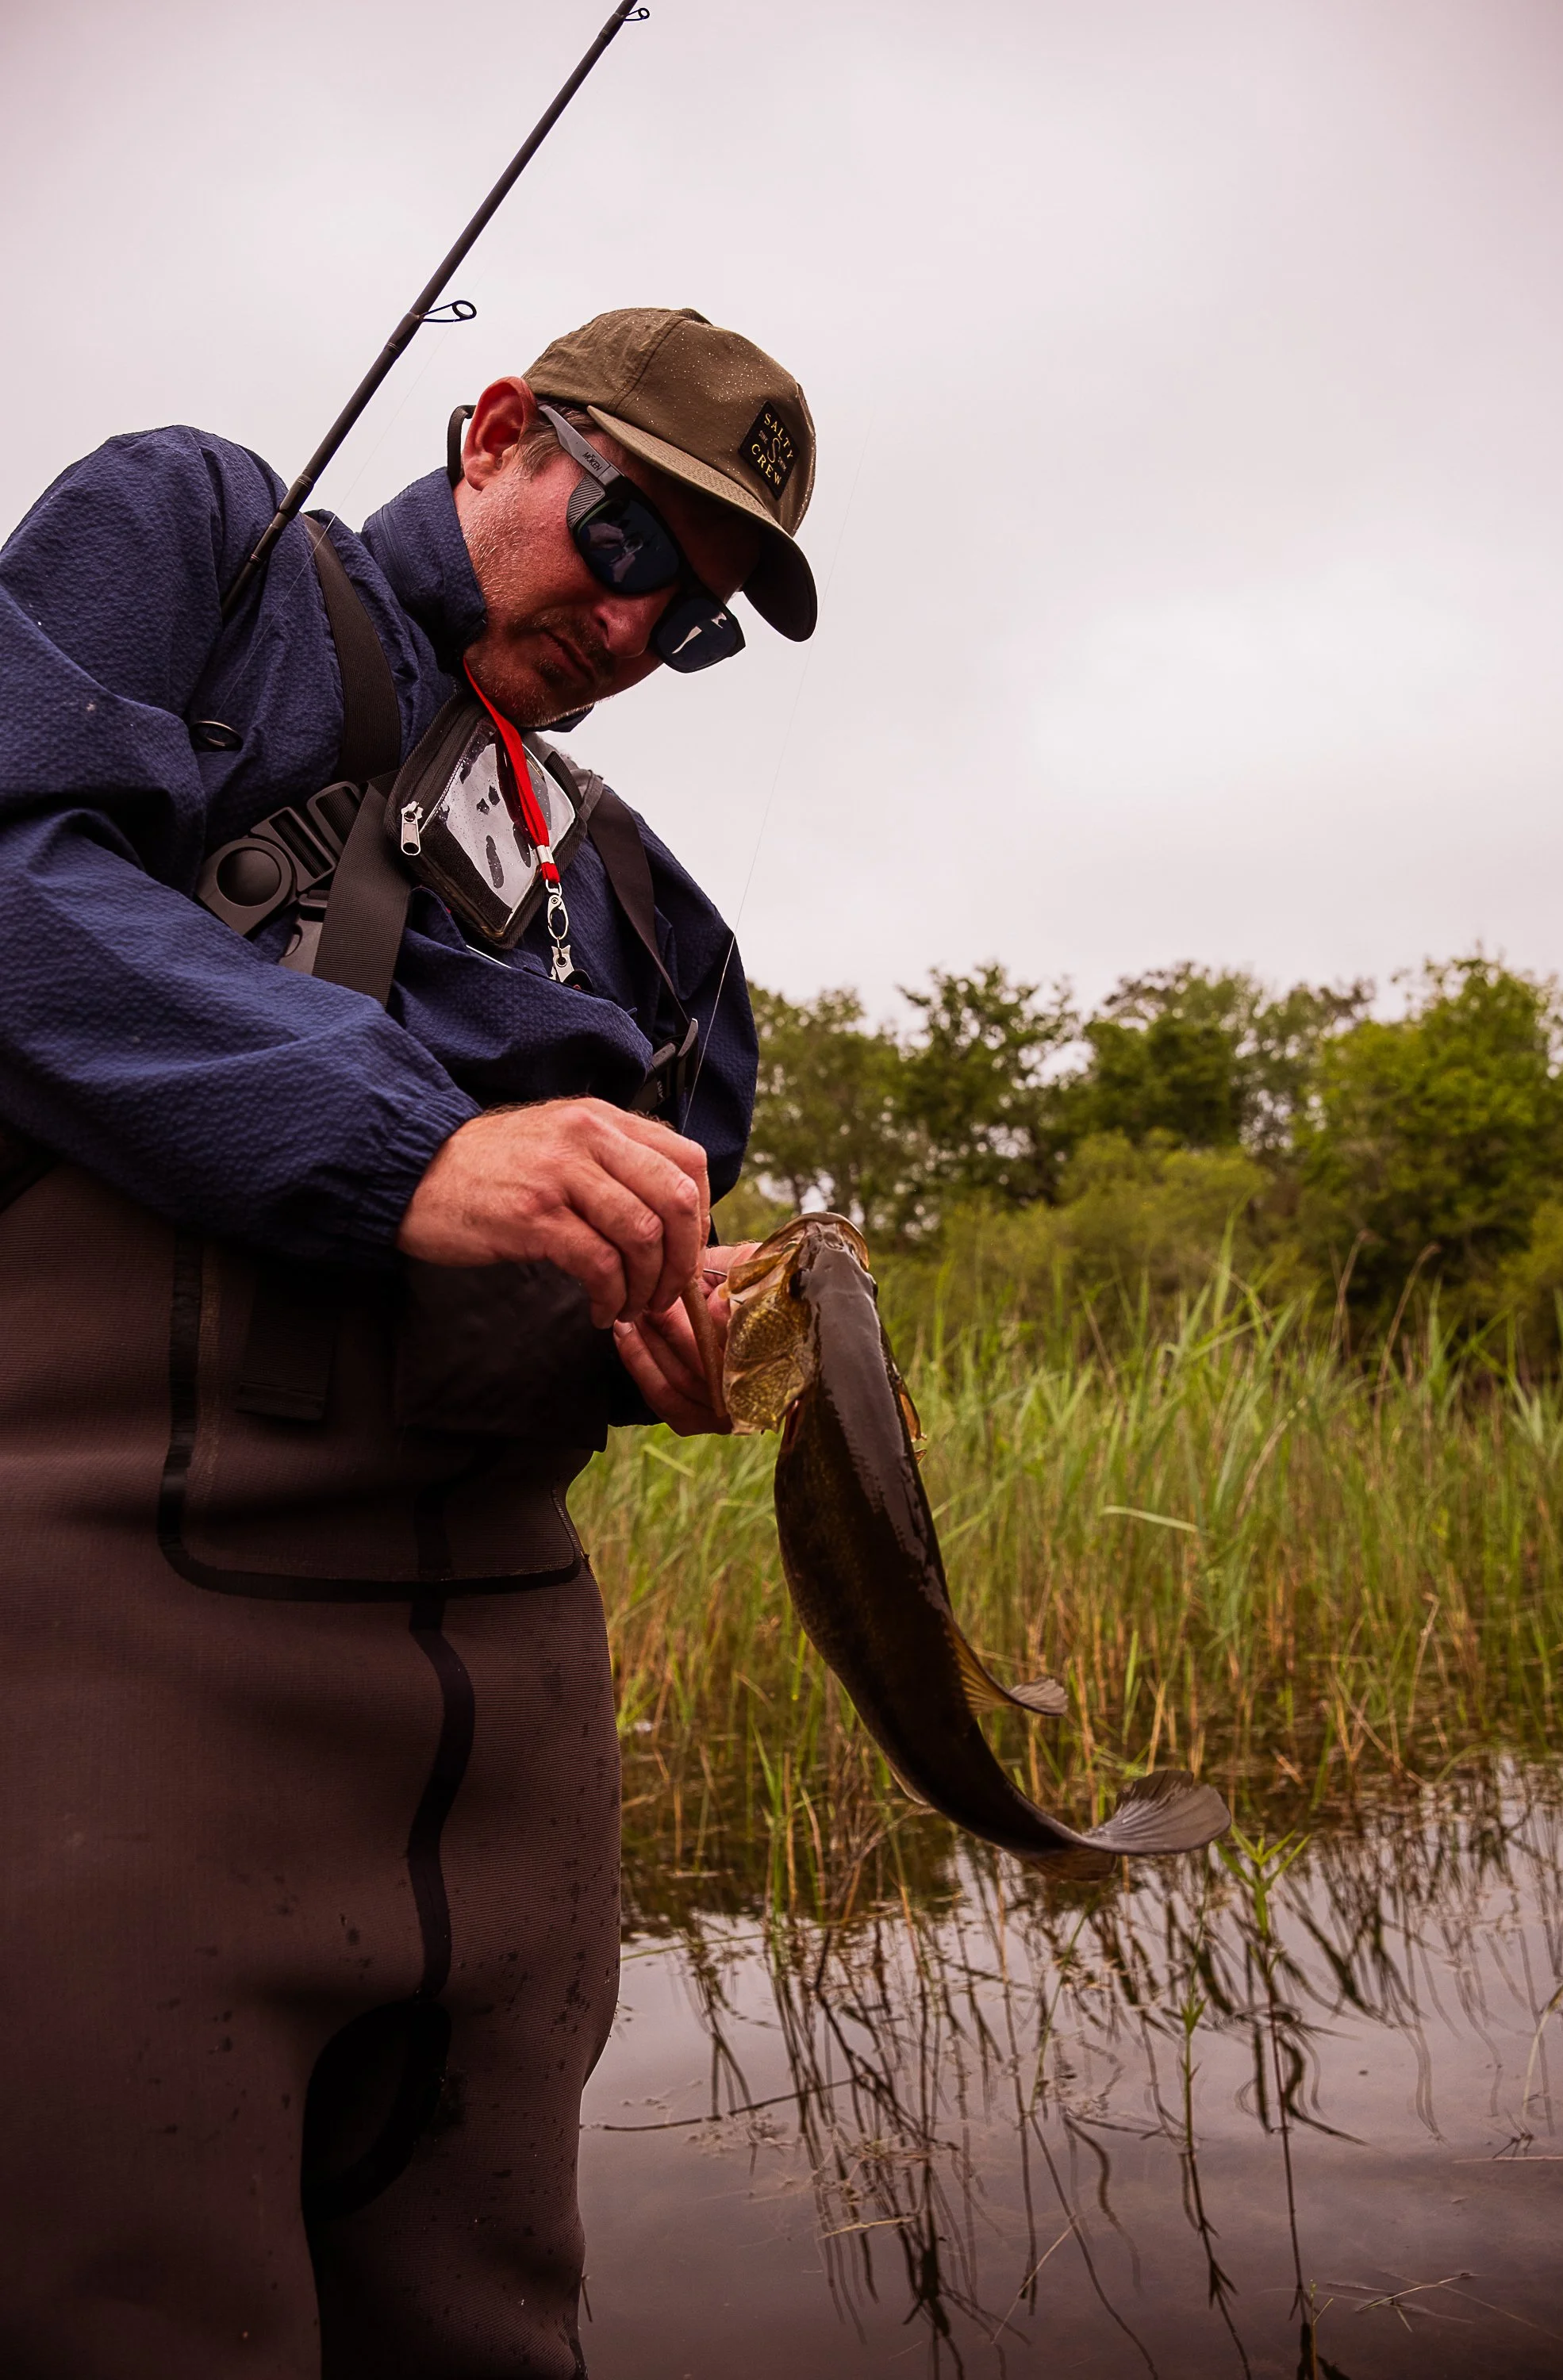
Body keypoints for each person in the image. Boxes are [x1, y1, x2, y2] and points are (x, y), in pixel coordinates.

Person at [0, 305, 816, 2378]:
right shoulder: (208, 555)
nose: (641, 629)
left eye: (697, 625)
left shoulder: (664, 926)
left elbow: (635, 1236)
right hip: (123, 1640)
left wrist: (667, 1317)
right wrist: (401, 1147)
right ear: (497, 431)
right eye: (632, 546)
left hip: (513, 1704)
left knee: (489, 2326)